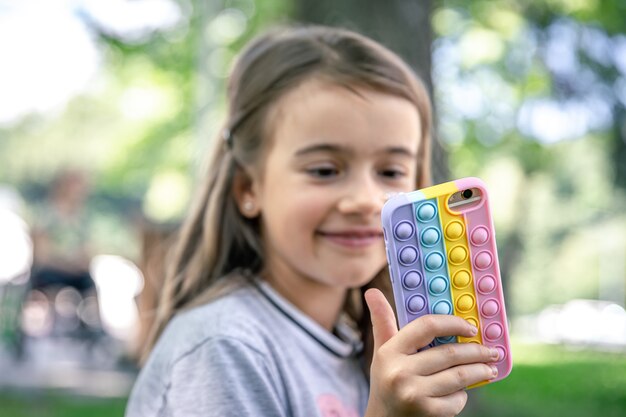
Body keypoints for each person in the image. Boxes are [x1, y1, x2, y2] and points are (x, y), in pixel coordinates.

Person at [126, 25, 498, 417]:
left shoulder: (355, 345)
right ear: (248, 189)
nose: (365, 200)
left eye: (390, 172)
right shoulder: (224, 346)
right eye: (324, 170)